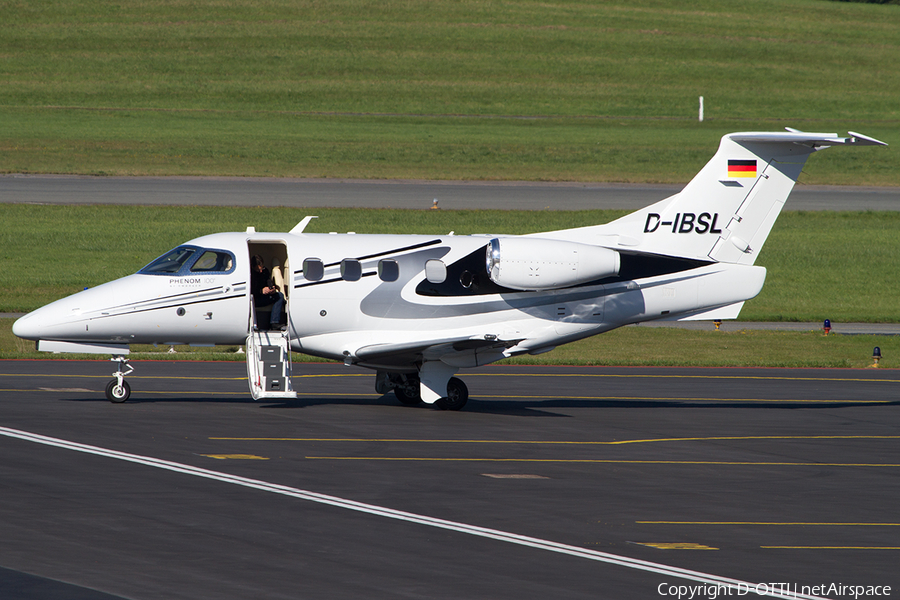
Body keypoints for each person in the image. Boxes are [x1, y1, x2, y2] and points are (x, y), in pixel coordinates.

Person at [250, 254, 285, 330]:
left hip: (263, 297)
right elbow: (250, 290)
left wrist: (271, 289)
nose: (261, 271)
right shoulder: (250, 274)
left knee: (279, 296)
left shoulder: (265, 272)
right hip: (254, 299)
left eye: (261, 268)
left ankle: (274, 322)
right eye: (258, 270)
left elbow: (269, 281)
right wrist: (261, 291)